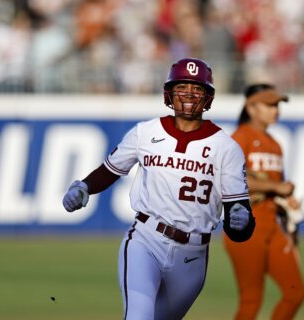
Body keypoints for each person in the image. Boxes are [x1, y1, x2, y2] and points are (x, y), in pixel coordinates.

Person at [62, 58, 255, 320]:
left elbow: (238, 221)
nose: (188, 94)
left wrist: (243, 223)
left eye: (196, 88)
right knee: (138, 317)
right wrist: (85, 186)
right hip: (146, 239)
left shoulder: (226, 147)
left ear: (208, 97)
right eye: (182, 87)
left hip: (193, 254)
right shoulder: (146, 132)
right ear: (169, 93)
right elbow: (110, 170)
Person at [223, 83, 304, 320]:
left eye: (277, 104)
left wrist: (286, 203)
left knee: (296, 292)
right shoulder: (239, 138)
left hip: (272, 223)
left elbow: (277, 190)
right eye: (269, 104)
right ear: (251, 107)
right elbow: (229, 179)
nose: (275, 109)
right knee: (251, 301)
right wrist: (275, 187)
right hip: (246, 226)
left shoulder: (275, 144)